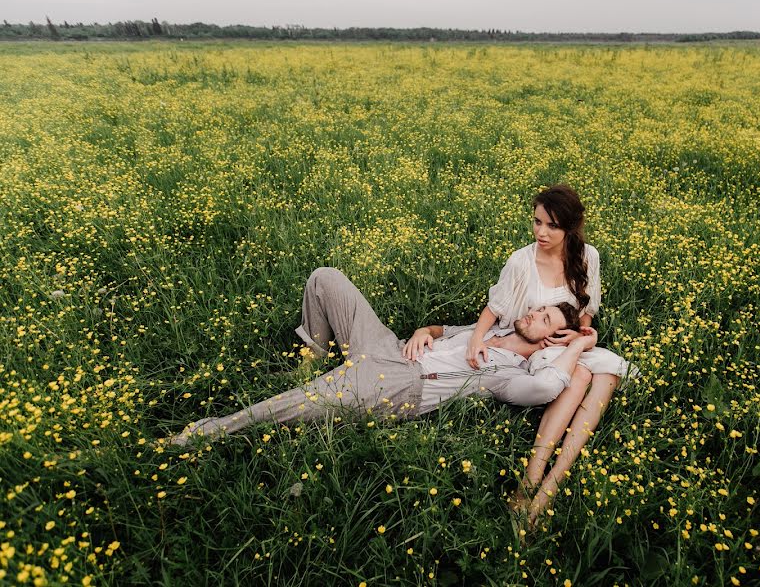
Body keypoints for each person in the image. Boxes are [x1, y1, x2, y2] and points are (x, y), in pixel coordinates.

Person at [166, 266, 601, 448]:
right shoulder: (494, 329)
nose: (531, 313)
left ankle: (206, 432)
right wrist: (419, 331)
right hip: (388, 348)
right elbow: (438, 330)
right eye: (536, 307)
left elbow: (548, 387)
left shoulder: (514, 374)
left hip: (399, 386)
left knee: (301, 403)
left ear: (552, 339)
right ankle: (314, 355)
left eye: (543, 318)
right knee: (326, 279)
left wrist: (579, 344)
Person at [464, 185, 639, 527]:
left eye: (552, 226)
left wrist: (580, 333)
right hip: (534, 349)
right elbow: (494, 306)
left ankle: (552, 482)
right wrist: (476, 338)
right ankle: (532, 478)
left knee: (608, 374)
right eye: (537, 222)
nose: (541, 232)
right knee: (585, 375)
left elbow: (585, 310)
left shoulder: (589, 256)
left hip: (566, 341)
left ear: (570, 228)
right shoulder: (521, 260)